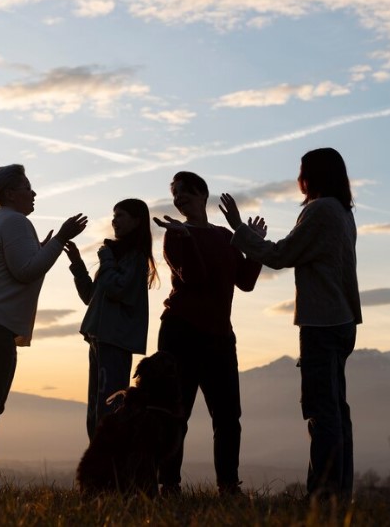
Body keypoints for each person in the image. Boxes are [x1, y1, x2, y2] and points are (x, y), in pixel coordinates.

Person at [218, 148, 362, 502]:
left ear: (311, 175)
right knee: (337, 410)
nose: (298, 178)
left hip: (322, 322)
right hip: (342, 320)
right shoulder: (343, 213)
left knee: (321, 411)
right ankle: (337, 492)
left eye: (301, 171)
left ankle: (323, 496)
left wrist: (238, 229)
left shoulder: (321, 210)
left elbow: (281, 255)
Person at [0, 164, 88, 488]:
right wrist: (61, 239)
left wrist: (44, 248)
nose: (34, 192)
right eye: (27, 186)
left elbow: (20, 268)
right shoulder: (14, 222)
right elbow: (26, 271)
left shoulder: (6, 222)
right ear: (11, 193)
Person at [152, 171, 263, 496]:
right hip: (180, 333)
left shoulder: (224, 236)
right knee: (176, 412)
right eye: (175, 193)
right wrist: (185, 238)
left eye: (185, 191)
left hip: (219, 337)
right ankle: (168, 485)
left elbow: (246, 281)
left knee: (229, 416)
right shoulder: (174, 234)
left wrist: (252, 243)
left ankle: (229, 485)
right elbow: (195, 278)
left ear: (202, 194)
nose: (179, 198)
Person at [63, 198, 159, 440]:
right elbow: (90, 296)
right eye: (113, 215)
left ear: (137, 221)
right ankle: (97, 464)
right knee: (96, 406)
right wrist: (77, 264)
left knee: (109, 406)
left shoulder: (135, 258)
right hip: (100, 338)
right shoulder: (116, 256)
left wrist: (106, 259)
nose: (114, 220)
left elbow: (118, 288)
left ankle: (109, 465)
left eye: (121, 215)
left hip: (115, 340)